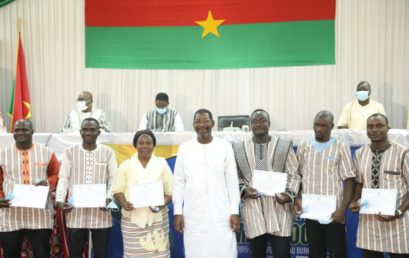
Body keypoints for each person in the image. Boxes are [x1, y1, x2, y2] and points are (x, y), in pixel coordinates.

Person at [232, 109, 300, 258]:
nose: (258, 124)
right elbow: (233, 178)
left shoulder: (283, 145)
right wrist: (244, 190)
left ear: (269, 123)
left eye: (262, 120)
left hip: (279, 208)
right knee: (257, 254)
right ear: (250, 125)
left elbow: (294, 175)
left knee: (282, 254)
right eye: (254, 121)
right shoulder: (239, 148)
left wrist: (289, 195)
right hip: (253, 209)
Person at [173, 108, 240, 258]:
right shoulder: (184, 149)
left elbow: (232, 182)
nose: (202, 124)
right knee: (196, 251)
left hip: (221, 213)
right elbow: (178, 182)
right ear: (193, 125)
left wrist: (234, 211)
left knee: (224, 250)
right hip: (194, 213)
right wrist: (178, 212)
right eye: (198, 121)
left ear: (213, 123)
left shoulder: (225, 147)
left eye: (206, 121)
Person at [294, 111, 356, 258]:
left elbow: (349, 180)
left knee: (337, 253)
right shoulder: (304, 145)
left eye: (323, 125)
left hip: (334, 213)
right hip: (311, 212)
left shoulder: (341, 147)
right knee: (315, 253)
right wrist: (297, 197)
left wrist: (342, 209)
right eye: (316, 125)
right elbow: (298, 176)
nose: (319, 129)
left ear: (332, 126)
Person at [349, 113, 409, 258]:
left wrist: (398, 212)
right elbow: (359, 183)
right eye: (370, 126)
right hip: (369, 225)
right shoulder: (360, 153)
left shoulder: (403, 153)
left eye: (379, 126)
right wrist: (355, 201)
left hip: (398, 224)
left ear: (388, 128)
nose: (374, 129)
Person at [56, 118, 117, 258]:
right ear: (80, 131)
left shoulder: (108, 152)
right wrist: (60, 200)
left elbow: (114, 178)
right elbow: (64, 178)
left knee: (101, 253)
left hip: (101, 211)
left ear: (98, 132)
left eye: (92, 129)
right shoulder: (70, 152)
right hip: (75, 210)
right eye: (85, 129)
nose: (88, 132)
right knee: (75, 253)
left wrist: (108, 198)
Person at [0, 119, 60, 258]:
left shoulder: (46, 152)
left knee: (42, 254)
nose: (20, 133)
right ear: (13, 133)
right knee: (10, 254)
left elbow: (56, 173)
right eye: (17, 130)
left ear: (32, 132)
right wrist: (1, 197)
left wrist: (48, 182)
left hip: (39, 213)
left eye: (24, 130)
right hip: (10, 214)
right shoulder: (3, 154)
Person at [112, 130, 173, 257]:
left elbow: (171, 192)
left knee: (159, 254)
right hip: (132, 219)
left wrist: (161, 204)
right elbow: (118, 190)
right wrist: (123, 202)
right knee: (133, 254)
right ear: (136, 145)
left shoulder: (162, 164)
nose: (144, 146)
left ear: (153, 145)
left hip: (157, 221)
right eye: (141, 143)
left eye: (148, 143)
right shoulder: (126, 166)